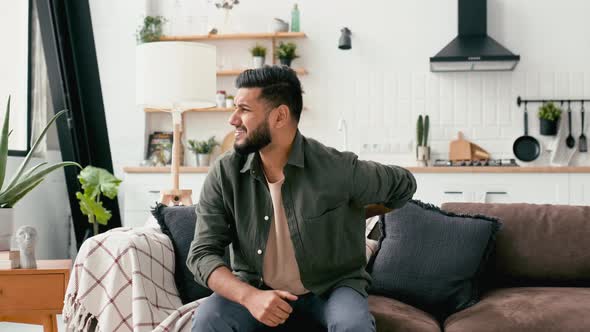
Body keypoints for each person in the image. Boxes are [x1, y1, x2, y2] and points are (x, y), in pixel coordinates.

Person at [188, 65, 416, 332]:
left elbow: (404, 185)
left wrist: (358, 210)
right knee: (208, 320)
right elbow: (202, 253)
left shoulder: (337, 168)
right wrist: (249, 296)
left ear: (280, 116)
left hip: (332, 288)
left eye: (244, 109)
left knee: (352, 325)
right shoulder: (225, 173)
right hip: (257, 286)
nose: (233, 119)